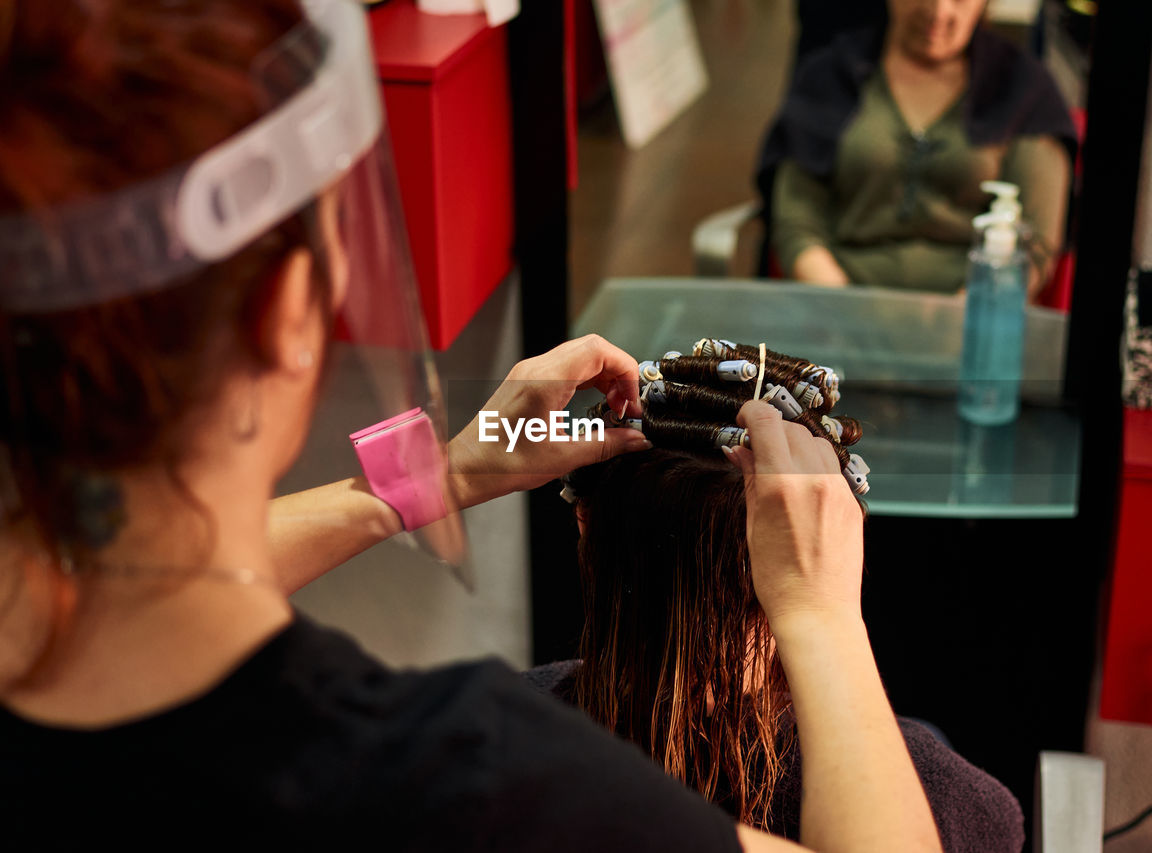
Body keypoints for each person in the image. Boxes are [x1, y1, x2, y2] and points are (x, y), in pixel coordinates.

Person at [0, 2, 942, 850]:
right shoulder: (463, 785)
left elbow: (97, 590)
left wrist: (438, 477)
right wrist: (821, 618)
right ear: (290, 313)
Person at [526, 349, 1024, 852]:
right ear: (832, 540)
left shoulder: (487, 741)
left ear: (583, 519)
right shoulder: (954, 808)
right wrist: (823, 613)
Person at [759, 0, 1077, 296]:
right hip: (838, 312)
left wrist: (967, 321)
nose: (938, 12)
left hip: (972, 322)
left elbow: (1035, 242)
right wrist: (845, 313)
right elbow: (797, 221)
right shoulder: (828, 77)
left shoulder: (1025, 91)